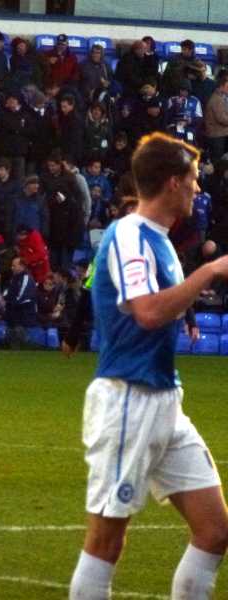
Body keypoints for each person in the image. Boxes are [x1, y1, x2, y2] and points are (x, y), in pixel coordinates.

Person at [69, 133, 228, 599]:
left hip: (163, 400)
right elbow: (148, 311)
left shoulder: (157, 240)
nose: (199, 190)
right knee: (106, 540)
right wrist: (210, 272)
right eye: (194, 181)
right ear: (174, 182)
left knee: (215, 529)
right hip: (126, 400)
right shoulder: (128, 234)